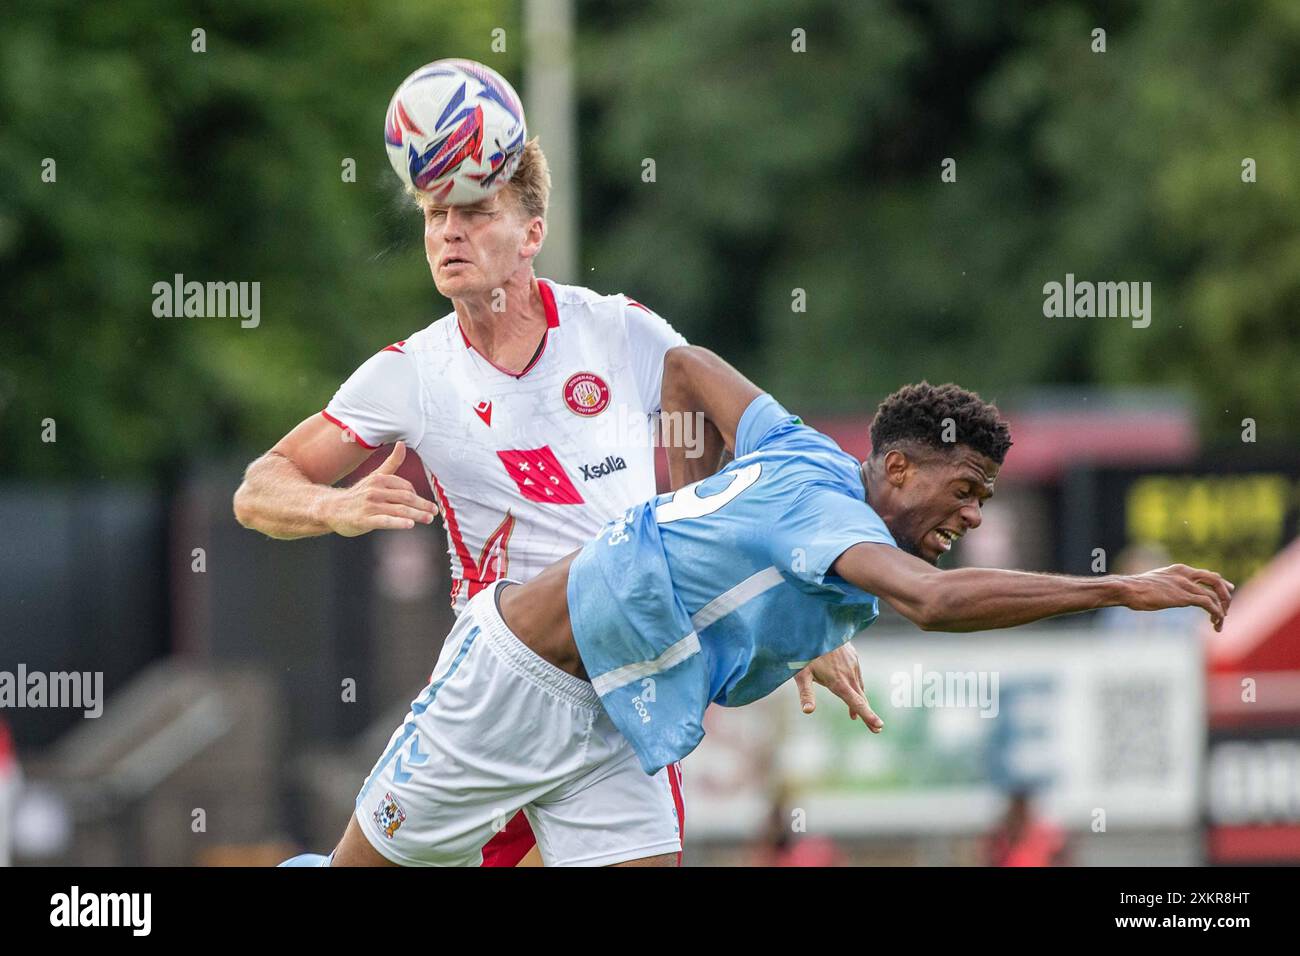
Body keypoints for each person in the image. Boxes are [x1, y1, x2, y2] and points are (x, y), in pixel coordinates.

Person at [324, 348, 1232, 866]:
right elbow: (935, 603)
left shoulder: (795, 445)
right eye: (966, 489)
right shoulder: (833, 516)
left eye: (987, 497)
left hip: (617, 729)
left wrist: (682, 514)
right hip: (522, 678)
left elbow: (682, 368)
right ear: (900, 469)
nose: (974, 513)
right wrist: (1118, 586)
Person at [234, 139, 861, 867]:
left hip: (627, 680)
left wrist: (802, 598)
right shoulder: (410, 373)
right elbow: (260, 486)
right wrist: (329, 508)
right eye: (436, 217)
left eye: (474, 213)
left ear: (533, 233)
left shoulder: (618, 329)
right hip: (501, 679)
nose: (448, 234)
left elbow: (740, 453)